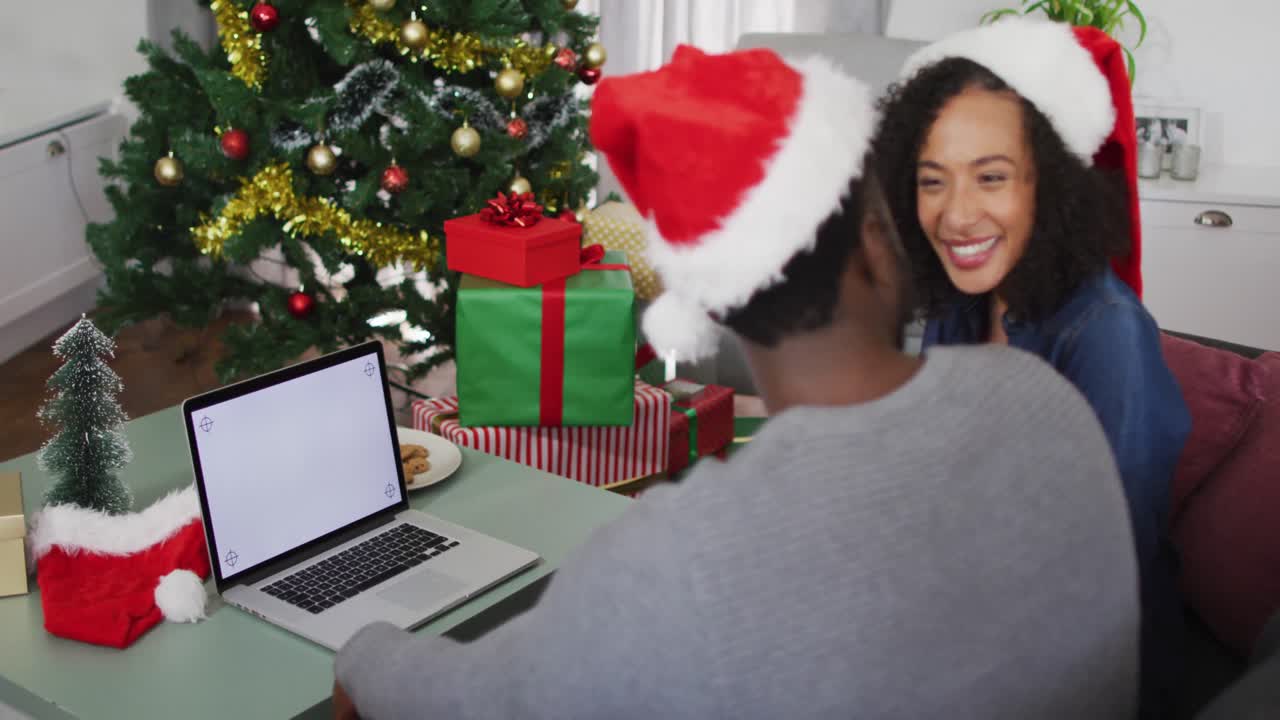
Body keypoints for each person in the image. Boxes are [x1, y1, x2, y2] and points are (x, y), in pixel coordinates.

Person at [332, 45, 1140, 719]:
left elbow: (469, 703)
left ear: (712, 304)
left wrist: (363, 653)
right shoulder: (1044, 400)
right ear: (874, 243)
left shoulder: (678, 562)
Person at [871, 17, 1191, 717]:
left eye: (991, 177)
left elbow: (1106, 571)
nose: (956, 215)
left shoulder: (1106, 334)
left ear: (1051, 185)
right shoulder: (964, 303)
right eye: (932, 181)